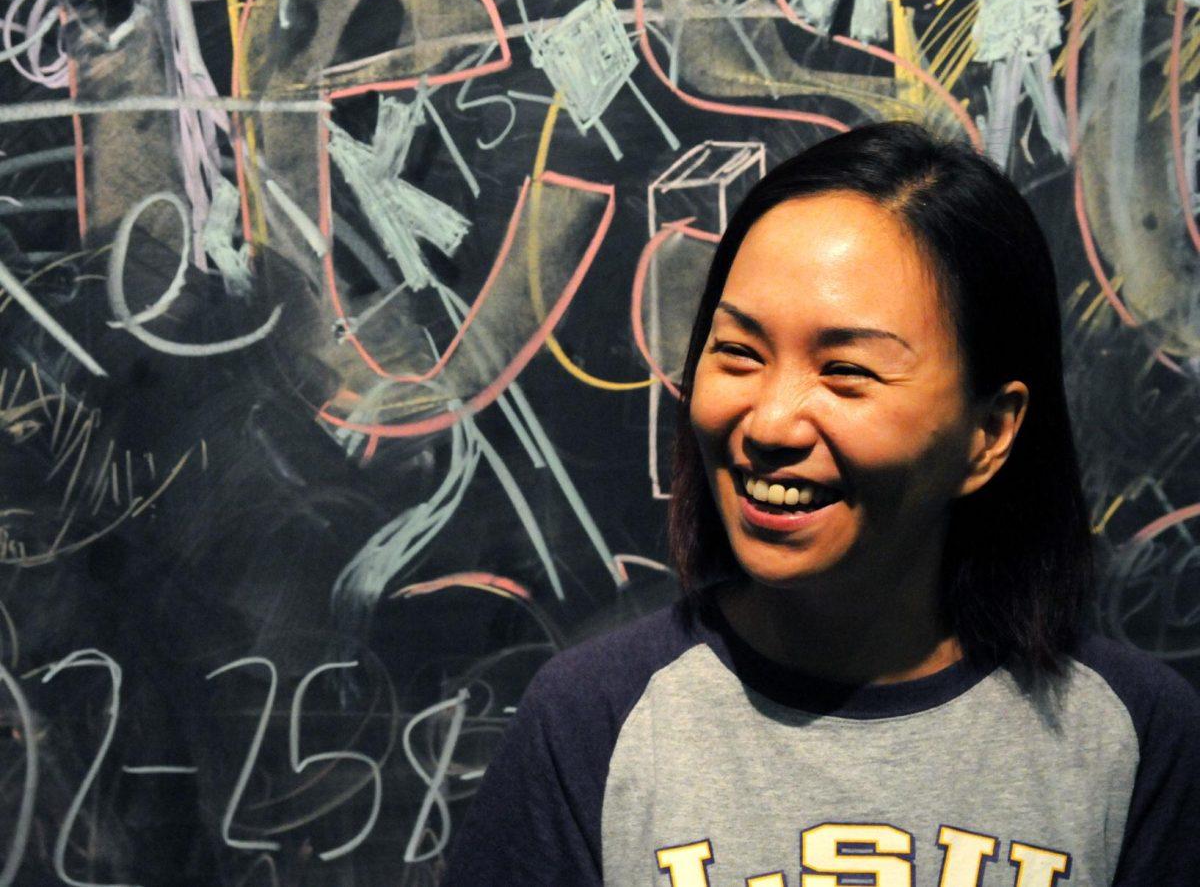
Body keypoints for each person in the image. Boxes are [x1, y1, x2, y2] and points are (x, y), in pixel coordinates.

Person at [439, 121, 1200, 886]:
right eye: (738, 353)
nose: (769, 423)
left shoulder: (1130, 741)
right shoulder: (590, 725)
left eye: (846, 372)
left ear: (988, 433)